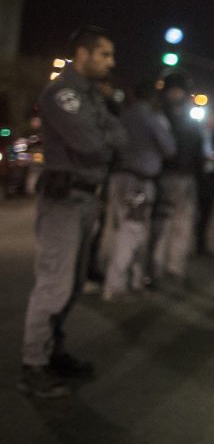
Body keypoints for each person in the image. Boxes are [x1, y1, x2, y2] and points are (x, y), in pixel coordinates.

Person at [19, 25, 127, 397]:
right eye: (105, 54)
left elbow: (120, 137)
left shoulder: (92, 95)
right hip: (64, 199)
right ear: (83, 54)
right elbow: (91, 144)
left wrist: (105, 131)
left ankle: (53, 352)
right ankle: (33, 365)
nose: (111, 62)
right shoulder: (62, 92)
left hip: (86, 198)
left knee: (74, 285)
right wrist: (105, 133)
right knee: (54, 285)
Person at [101, 80, 176, 301]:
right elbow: (170, 148)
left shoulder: (123, 116)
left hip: (118, 177)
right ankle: (115, 285)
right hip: (139, 181)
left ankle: (129, 280)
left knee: (120, 229)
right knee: (133, 232)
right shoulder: (151, 119)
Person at [151, 71, 203, 286]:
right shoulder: (159, 116)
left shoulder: (188, 118)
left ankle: (173, 267)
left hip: (185, 177)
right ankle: (157, 267)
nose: (177, 94)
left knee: (181, 225)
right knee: (163, 225)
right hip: (165, 176)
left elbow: (198, 149)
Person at [195, 104, 214, 256]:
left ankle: (201, 244)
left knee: (206, 214)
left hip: (211, 179)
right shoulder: (197, 133)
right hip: (199, 178)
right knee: (195, 213)